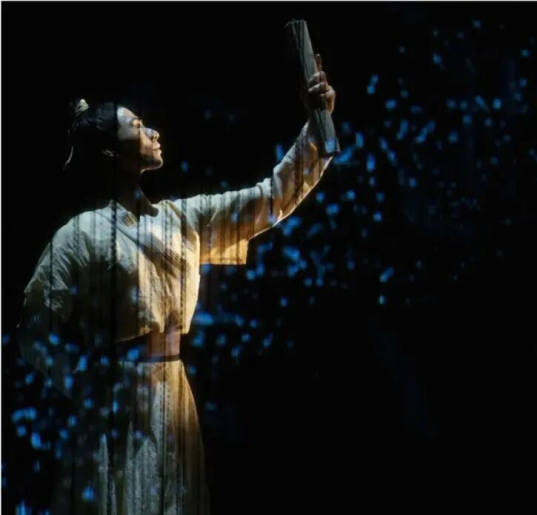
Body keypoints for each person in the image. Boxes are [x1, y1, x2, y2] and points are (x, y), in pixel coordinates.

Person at [16, 55, 336, 515]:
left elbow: (268, 199)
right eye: (137, 126)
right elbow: (34, 329)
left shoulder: (181, 220)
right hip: (117, 400)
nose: (153, 132)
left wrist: (315, 126)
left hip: (173, 393)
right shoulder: (79, 235)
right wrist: (83, 383)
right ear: (111, 154)